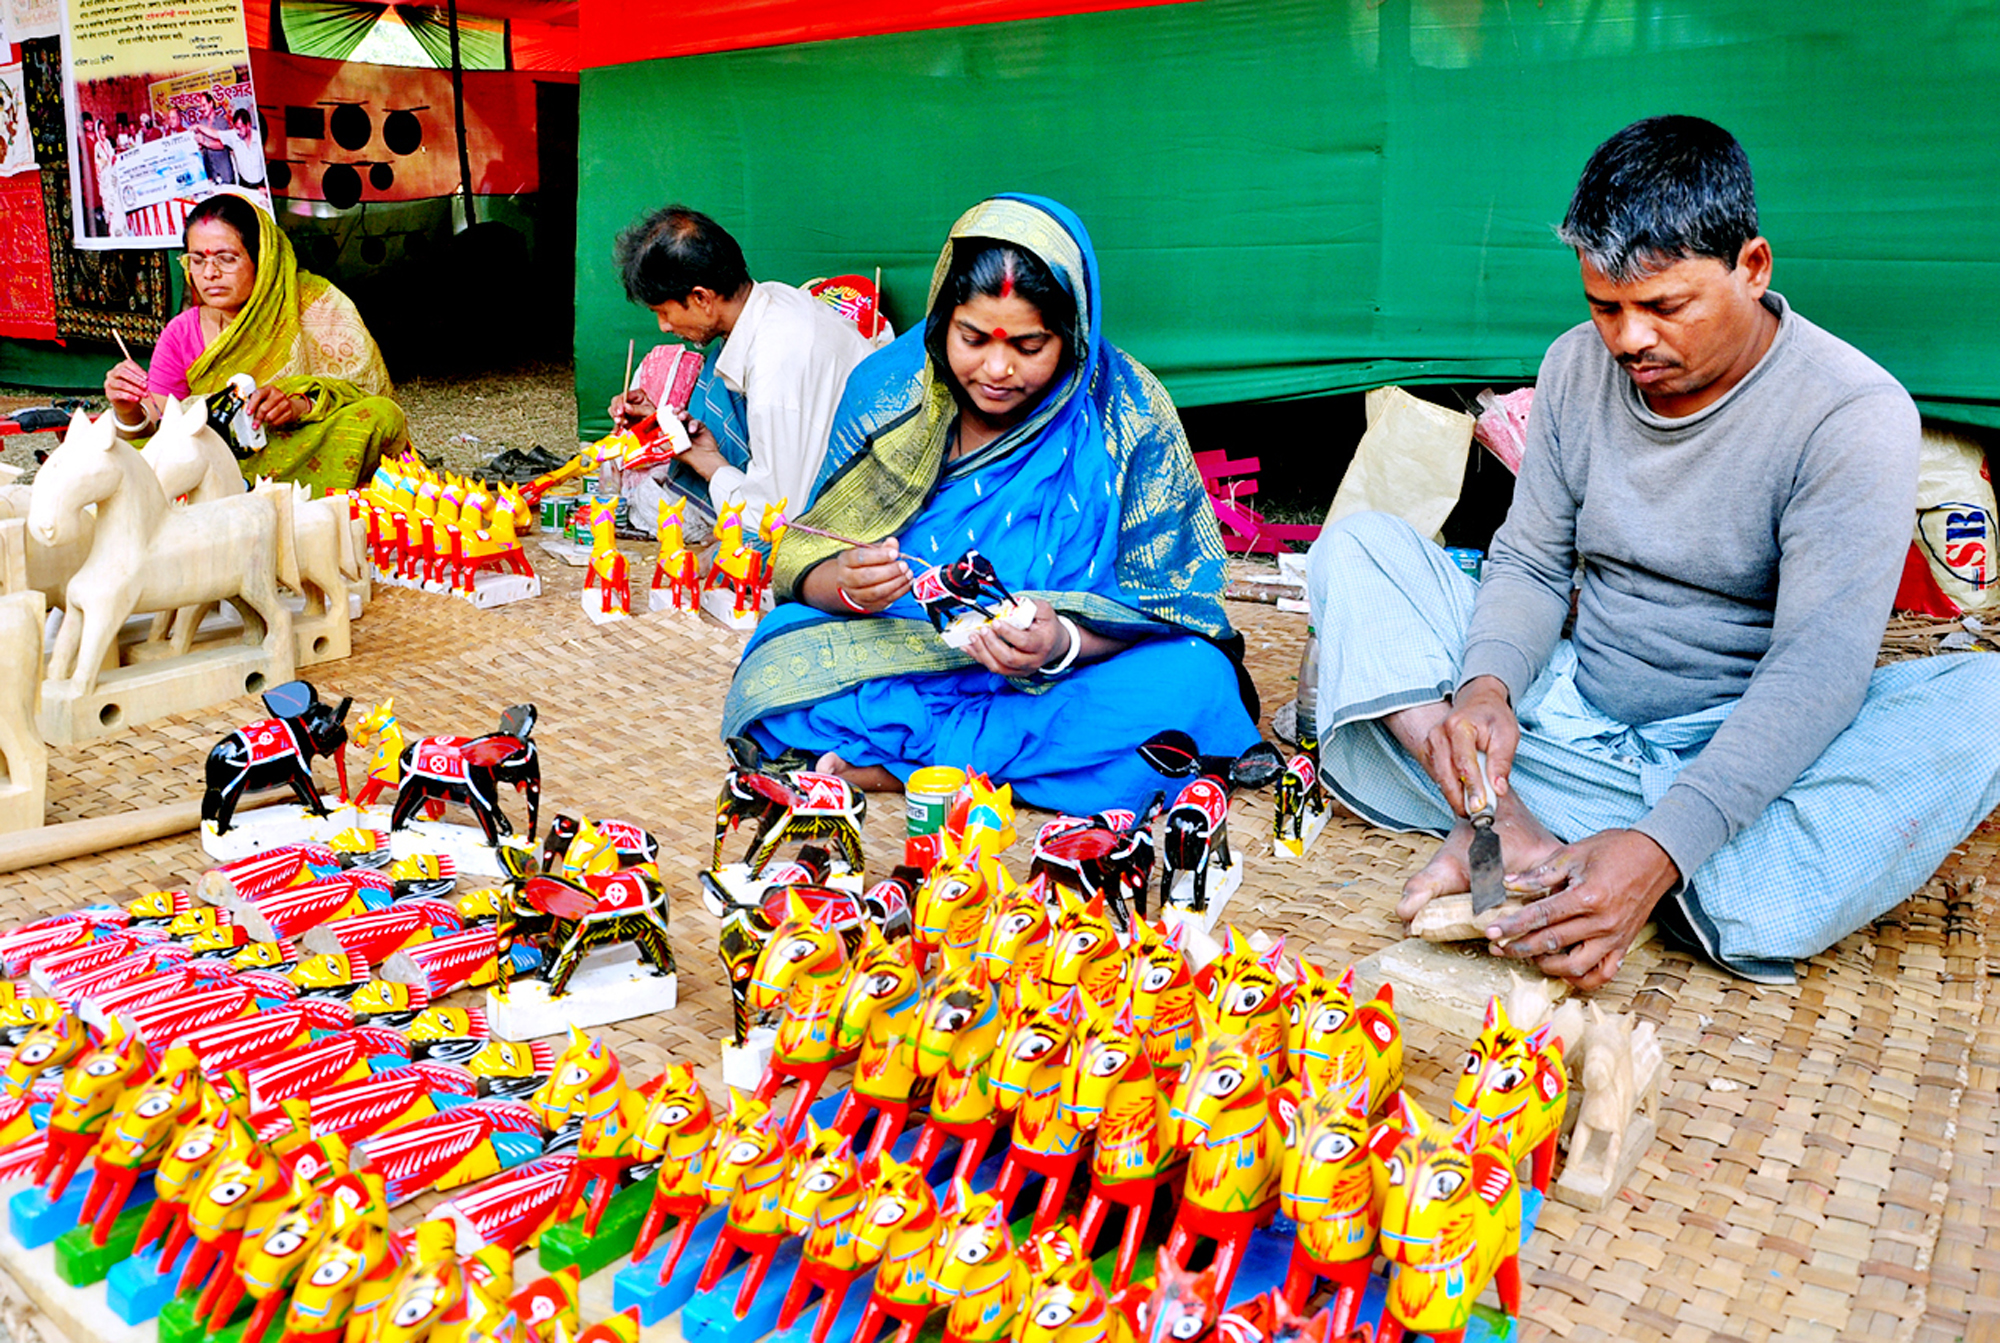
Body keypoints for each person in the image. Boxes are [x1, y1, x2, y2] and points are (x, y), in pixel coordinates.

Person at [1306, 115, 2000, 989]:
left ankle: (1632, 863)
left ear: (1753, 267)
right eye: (1605, 306)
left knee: (1986, 701)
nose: (1629, 338)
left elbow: (1817, 672)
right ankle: (1508, 822)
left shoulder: (1852, 413)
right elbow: (1530, 562)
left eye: (1664, 306)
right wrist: (1486, 692)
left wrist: (1663, 842)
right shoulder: (1573, 368)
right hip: (1561, 720)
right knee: (1360, 548)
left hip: (1733, 764)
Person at [722, 194, 1262, 815]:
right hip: (903, 649)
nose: (997, 369)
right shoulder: (889, 392)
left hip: (1066, 677)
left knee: (1195, 680)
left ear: (1073, 333)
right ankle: (997, 767)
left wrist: (1060, 643)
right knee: (777, 652)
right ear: (942, 319)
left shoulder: (1129, 412)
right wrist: (844, 584)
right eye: (973, 338)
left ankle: (898, 767)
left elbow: (1172, 604)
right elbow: (806, 558)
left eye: (1029, 346)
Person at [100, 191, 408, 491]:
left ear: (263, 258)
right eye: (197, 259)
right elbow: (158, 425)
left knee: (383, 415)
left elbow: (360, 393)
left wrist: (295, 406)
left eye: (226, 258)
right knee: (125, 457)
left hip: (300, 442)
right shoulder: (181, 333)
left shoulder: (315, 303)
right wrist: (126, 409)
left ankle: (243, 489)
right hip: (218, 456)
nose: (210, 273)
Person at [607, 206, 870, 529]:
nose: (664, 326)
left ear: (702, 298)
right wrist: (696, 452)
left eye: (663, 312)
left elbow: (776, 520)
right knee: (717, 372)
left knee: (736, 552)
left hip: (852, 511)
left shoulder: (777, 366)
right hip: (816, 465)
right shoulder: (771, 301)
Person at [191, 94, 235, 186]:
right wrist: (198, 145)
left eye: (204, 105)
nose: (202, 109)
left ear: (211, 104)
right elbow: (202, 148)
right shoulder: (202, 123)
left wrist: (204, 142)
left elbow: (222, 145)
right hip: (211, 175)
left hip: (224, 174)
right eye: (200, 106)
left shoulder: (222, 122)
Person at [224, 108, 265, 190]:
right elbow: (216, 134)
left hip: (261, 184)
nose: (238, 132)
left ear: (248, 125)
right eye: (236, 128)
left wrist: (265, 187)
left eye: (241, 128)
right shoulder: (234, 137)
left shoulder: (259, 138)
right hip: (244, 183)